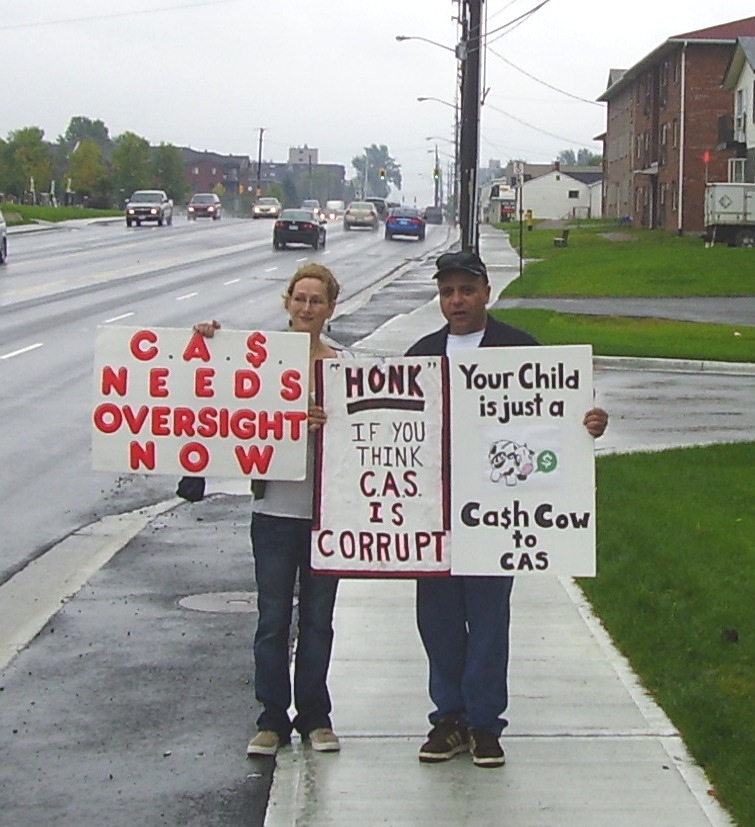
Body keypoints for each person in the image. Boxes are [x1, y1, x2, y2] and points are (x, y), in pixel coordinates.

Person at [405, 249, 608, 769]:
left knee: (490, 620)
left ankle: (485, 724)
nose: (457, 300)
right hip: (435, 512)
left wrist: (586, 424)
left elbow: (555, 416)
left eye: (466, 290)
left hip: (499, 515)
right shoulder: (421, 355)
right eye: (448, 291)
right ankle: (447, 719)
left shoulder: (520, 349)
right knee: (439, 620)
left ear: (486, 292)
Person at [194, 262, 345, 757]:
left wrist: (331, 422)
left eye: (316, 300)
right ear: (287, 302)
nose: (307, 308)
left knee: (319, 620)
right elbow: (207, 380)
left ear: (330, 308)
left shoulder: (345, 366)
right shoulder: (258, 361)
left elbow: (369, 436)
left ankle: (316, 717)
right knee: (273, 619)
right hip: (275, 513)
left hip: (327, 516)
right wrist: (206, 339)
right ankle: (271, 720)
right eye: (299, 298)